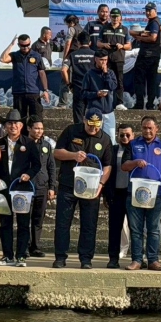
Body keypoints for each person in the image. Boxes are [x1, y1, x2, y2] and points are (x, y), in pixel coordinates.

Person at [52, 108, 113, 269]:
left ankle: (86, 259)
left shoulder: (105, 139)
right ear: (84, 120)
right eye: (90, 124)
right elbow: (57, 152)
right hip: (69, 184)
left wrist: (101, 184)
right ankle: (60, 257)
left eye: (96, 125)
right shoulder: (71, 131)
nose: (93, 128)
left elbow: (107, 165)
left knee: (89, 225)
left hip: (91, 188)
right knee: (63, 223)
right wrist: (73, 155)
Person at [0, 109, 41, 267]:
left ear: (21, 126)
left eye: (16, 123)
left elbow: (37, 165)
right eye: (10, 123)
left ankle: (21, 256)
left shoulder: (29, 143)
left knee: (23, 223)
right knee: (5, 223)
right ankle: (7, 255)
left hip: (22, 188)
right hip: (3, 187)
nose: (13, 126)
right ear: (5, 126)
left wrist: (28, 174)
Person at [122, 116, 161, 272]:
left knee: (153, 229)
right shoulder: (133, 144)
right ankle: (137, 260)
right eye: (144, 128)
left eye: (150, 128)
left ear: (157, 129)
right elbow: (124, 166)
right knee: (136, 229)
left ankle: (153, 260)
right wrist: (135, 162)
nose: (147, 131)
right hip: (135, 192)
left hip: (156, 193)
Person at [105, 124, 134, 268]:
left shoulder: (136, 150)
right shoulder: (113, 150)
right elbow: (107, 172)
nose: (125, 138)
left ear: (133, 135)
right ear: (117, 136)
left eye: (128, 135)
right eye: (122, 135)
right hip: (116, 194)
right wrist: (106, 195)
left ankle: (138, 258)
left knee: (136, 229)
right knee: (115, 228)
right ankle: (113, 258)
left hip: (132, 194)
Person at [0, 34, 49, 120]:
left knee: (36, 119)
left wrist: (45, 90)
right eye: (23, 45)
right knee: (19, 119)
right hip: (19, 92)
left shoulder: (36, 56)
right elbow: (2, 59)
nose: (26, 47)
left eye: (27, 45)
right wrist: (11, 45)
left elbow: (42, 73)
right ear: (19, 45)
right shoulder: (15, 55)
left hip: (33, 92)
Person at [27, 116, 56, 258]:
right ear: (29, 128)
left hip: (42, 186)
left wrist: (52, 187)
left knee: (38, 218)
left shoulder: (46, 145)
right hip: (26, 186)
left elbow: (51, 166)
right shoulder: (23, 144)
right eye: (36, 128)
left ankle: (36, 247)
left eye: (41, 129)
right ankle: (24, 246)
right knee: (25, 218)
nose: (39, 131)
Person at [130, 2, 161, 110]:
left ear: (155, 11)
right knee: (151, 81)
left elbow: (153, 37)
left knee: (140, 80)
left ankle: (140, 104)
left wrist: (139, 38)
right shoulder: (154, 22)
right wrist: (139, 34)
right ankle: (149, 105)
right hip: (153, 56)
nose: (147, 13)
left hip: (147, 56)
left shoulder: (154, 22)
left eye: (149, 10)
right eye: (146, 11)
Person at [98, 8, 132, 107]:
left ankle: (119, 103)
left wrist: (122, 46)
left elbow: (129, 46)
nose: (115, 18)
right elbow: (98, 43)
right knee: (105, 79)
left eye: (117, 17)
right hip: (106, 59)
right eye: (113, 16)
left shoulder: (124, 29)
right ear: (110, 17)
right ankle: (104, 102)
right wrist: (104, 45)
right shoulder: (104, 28)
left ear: (120, 17)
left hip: (119, 59)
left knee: (119, 81)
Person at [81, 49, 118, 141]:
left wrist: (106, 74)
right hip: (94, 111)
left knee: (111, 138)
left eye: (106, 60)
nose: (104, 62)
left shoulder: (110, 73)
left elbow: (113, 86)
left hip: (108, 111)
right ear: (95, 59)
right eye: (101, 60)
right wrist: (96, 94)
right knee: (94, 138)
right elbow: (83, 94)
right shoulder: (89, 74)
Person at [61, 31, 94, 124]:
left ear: (78, 42)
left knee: (78, 118)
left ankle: (78, 132)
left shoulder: (72, 55)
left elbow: (63, 70)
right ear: (90, 42)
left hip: (78, 89)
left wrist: (69, 84)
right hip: (93, 90)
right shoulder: (95, 55)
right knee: (93, 118)